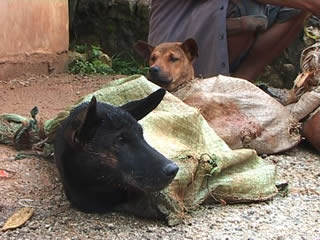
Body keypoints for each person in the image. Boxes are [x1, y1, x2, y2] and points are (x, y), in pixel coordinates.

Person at [148, 0, 320, 82]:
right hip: (175, 49)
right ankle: (213, 80)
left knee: (296, 7)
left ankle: (241, 81)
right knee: (245, 7)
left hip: (209, 26)